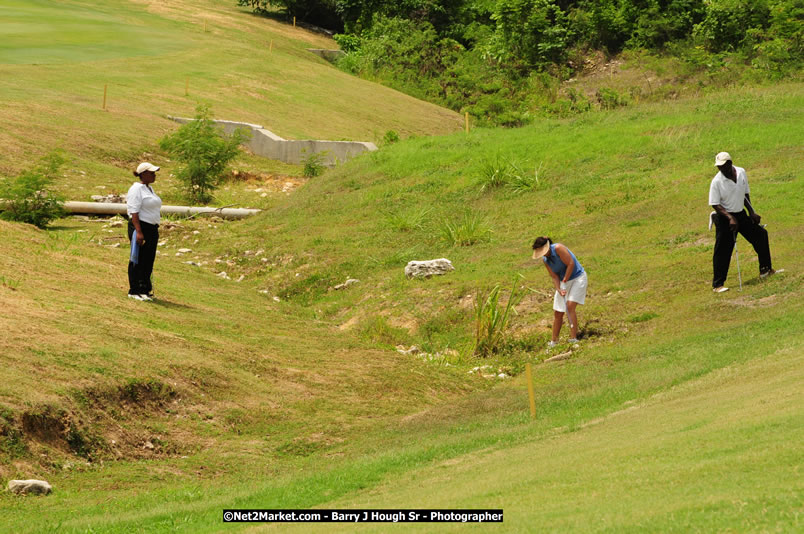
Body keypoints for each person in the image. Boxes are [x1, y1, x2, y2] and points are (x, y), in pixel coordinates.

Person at [709, 152, 776, 293]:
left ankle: (765, 270)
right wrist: (729, 217)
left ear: (730, 163)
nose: (720, 169)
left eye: (723, 166)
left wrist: (751, 211)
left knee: (761, 235)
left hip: (740, 213)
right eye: (718, 167)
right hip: (724, 218)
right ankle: (718, 285)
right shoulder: (717, 181)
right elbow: (715, 204)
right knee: (723, 250)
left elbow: (744, 194)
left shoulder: (741, 172)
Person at [532, 237, 588, 347]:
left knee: (570, 306)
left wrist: (565, 280)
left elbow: (571, 264)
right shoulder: (545, 260)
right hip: (563, 281)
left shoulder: (558, 248)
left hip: (577, 278)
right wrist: (558, 288)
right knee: (558, 312)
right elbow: (554, 276)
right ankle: (554, 341)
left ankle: (573, 339)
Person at [126, 162, 162, 301]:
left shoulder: (149, 189)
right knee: (137, 258)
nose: (154, 175)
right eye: (152, 173)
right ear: (143, 174)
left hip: (152, 228)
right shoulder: (136, 189)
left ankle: (144, 289)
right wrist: (139, 231)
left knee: (148, 259)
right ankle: (134, 290)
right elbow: (134, 211)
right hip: (140, 226)